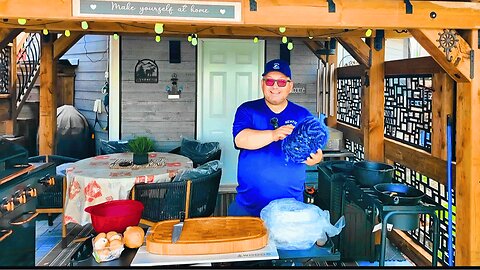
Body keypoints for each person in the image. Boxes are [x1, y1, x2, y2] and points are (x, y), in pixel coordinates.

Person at [229, 59, 324, 217]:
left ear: (290, 86)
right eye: (270, 81)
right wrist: (273, 134)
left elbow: (314, 150)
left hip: (291, 207)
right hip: (249, 205)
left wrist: (316, 157)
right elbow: (240, 139)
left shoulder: (303, 115)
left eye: (281, 82)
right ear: (262, 83)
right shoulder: (247, 110)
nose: (275, 86)